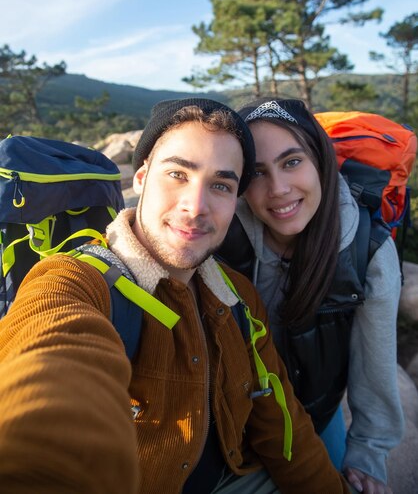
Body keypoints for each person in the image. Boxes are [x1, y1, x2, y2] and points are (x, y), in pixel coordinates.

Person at [0, 98, 353, 494]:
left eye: (220, 185)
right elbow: (49, 370)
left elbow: (282, 423)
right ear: (140, 177)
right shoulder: (74, 282)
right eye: (178, 174)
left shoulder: (238, 297)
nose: (196, 207)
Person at [217, 97, 405, 494]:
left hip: (315, 411)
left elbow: (376, 367)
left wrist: (369, 455)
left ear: (320, 160)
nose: (279, 190)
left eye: (291, 162)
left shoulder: (365, 250)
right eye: (256, 173)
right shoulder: (222, 236)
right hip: (236, 419)